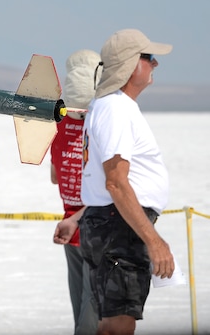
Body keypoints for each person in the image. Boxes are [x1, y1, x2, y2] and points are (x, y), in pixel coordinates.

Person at [79, 29, 174, 335]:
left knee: (113, 321)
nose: (155, 64)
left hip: (114, 224)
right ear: (133, 65)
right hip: (119, 227)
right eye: (148, 58)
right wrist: (154, 241)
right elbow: (116, 183)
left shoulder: (113, 107)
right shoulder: (116, 108)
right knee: (117, 325)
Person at [51, 49, 101, 335]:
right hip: (95, 228)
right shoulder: (101, 125)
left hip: (70, 227)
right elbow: (111, 186)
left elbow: (55, 176)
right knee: (92, 320)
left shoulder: (58, 124)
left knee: (81, 315)